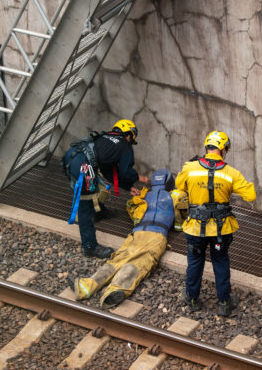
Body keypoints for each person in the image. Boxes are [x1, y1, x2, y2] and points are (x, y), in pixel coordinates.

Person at [75, 168, 188, 307]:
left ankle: (86, 286)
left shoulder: (144, 194)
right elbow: (180, 222)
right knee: (140, 262)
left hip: (137, 232)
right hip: (157, 235)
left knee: (119, 258)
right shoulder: (176, 196)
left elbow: (132, 208)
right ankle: (116, 290)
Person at [175, 131, 256, 317]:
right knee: (220, 261)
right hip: (222, 229)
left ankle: (192, 299)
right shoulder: (231, 173)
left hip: (195, 228)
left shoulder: (190, 168)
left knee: (195, 261)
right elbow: (251, 195)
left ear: (207, 148)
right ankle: (224, 303)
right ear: (224, 149)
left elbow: (179, 187)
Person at [62, 119, 150, 259]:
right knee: (85, 203)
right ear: (129, 135)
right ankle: (90, 247)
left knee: (99, 187)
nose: (131, 142)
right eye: (131, 140)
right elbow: (125, 172)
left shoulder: (105, 137)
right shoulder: (124, 146)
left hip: (73, 156)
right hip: (83, 167)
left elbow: (109, 170)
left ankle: (99, 212)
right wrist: (137, 177)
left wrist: (128, 187)